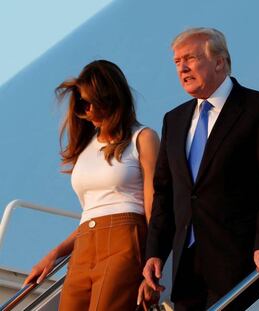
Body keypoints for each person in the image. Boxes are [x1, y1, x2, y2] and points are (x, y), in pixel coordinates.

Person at [142, 27, 259, 310]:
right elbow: (165, 194)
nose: (182, 68)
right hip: (188, 269)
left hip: (243, 259)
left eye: (190, 58)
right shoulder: (175, 119)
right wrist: (155, 252)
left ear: (219, 62)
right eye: (177, 62)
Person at [23, 60, 160, 310]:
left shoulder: (143, 138)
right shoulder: (84, 148)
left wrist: (154, 260)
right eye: (80, 105)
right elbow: (93, 213)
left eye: (89, 103)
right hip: (84, 246)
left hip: (125, 240)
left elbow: (153, 205)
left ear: (109, 98)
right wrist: (56, 253)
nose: (85, 112)